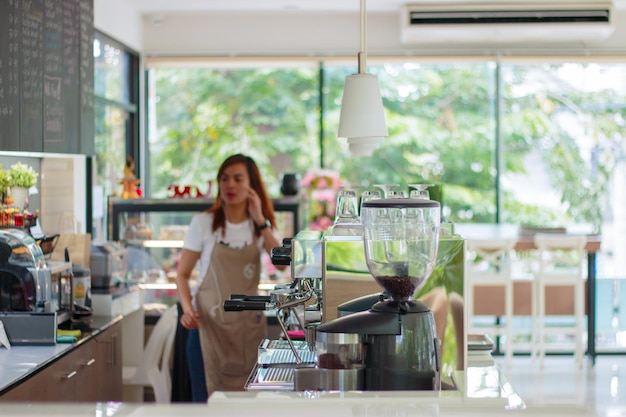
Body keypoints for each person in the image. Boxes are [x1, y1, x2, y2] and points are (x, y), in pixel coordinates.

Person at [176, 154, 285, 401]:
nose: (230, 185)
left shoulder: (259, 227)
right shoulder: (203, 223)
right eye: (225, 179)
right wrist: (186, 310)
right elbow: (182, 275)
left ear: (252, 186)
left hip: (247, 333)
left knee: (246, 405)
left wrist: (260, 221)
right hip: (206, 329)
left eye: (238, 179)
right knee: (205, 404)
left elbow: (280, 264)